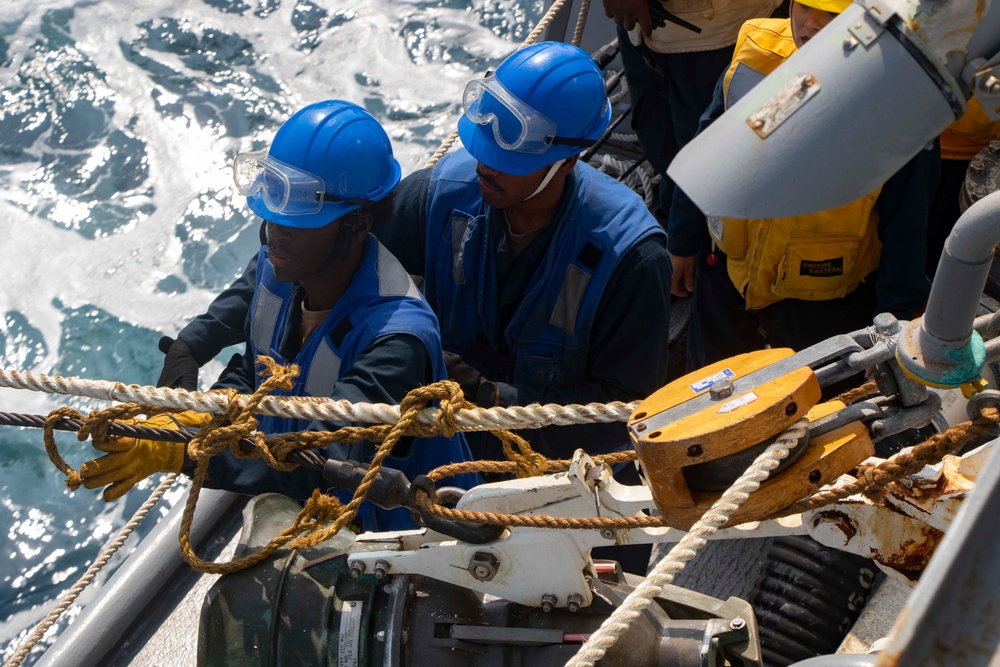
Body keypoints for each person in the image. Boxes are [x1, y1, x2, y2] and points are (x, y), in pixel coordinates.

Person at [81, 100, 479, 531]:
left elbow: (320, 460)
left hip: (402, 542)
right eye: (273, 203)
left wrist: (187, 451)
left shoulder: (395, 339)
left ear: (359, 224)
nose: (275, 229)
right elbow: (257, 370)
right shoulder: (280, 268)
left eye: (301, 213)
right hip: (312, 516)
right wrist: (197, 401)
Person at [376, 41, 673, 463]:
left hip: (554, 469)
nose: (485, 165)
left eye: (510, 158)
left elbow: (622, 413)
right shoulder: (442, 194)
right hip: (438, 438)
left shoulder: (630, 258)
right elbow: (351, 254)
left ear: (568, 161)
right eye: (483, 147)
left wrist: (493, 398)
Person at [666, 0, 941, 370]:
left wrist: (888, 334)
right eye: (806, 6)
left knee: (815, 419)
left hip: (822, 312)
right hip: (728, 286)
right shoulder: (759, 59)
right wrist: (682, 242)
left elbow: (907, 230)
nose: (811, 23)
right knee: (703, 404)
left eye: (833, 15)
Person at [602, 0, 781, 225]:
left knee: (706, 163)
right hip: (641, 30)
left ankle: (692, 244)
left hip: (716, 35)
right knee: (659, 143)